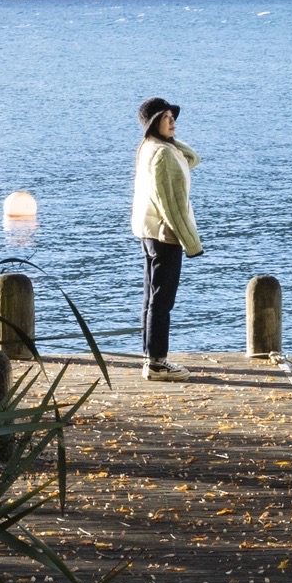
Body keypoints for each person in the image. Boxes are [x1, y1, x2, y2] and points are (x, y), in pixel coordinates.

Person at [130, 96, 202, 380]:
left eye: (173, 117)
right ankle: (158, 363)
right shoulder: (162, 154)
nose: (172, 122)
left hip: (148, 232)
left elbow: (192, 159)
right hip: (165, 234)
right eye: (166, 118)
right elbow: (170, 203)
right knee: (162, 301)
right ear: (153, 124)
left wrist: (170, 140)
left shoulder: (148, 147)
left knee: (151, 298)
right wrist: (190, 241)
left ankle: (150, 357)